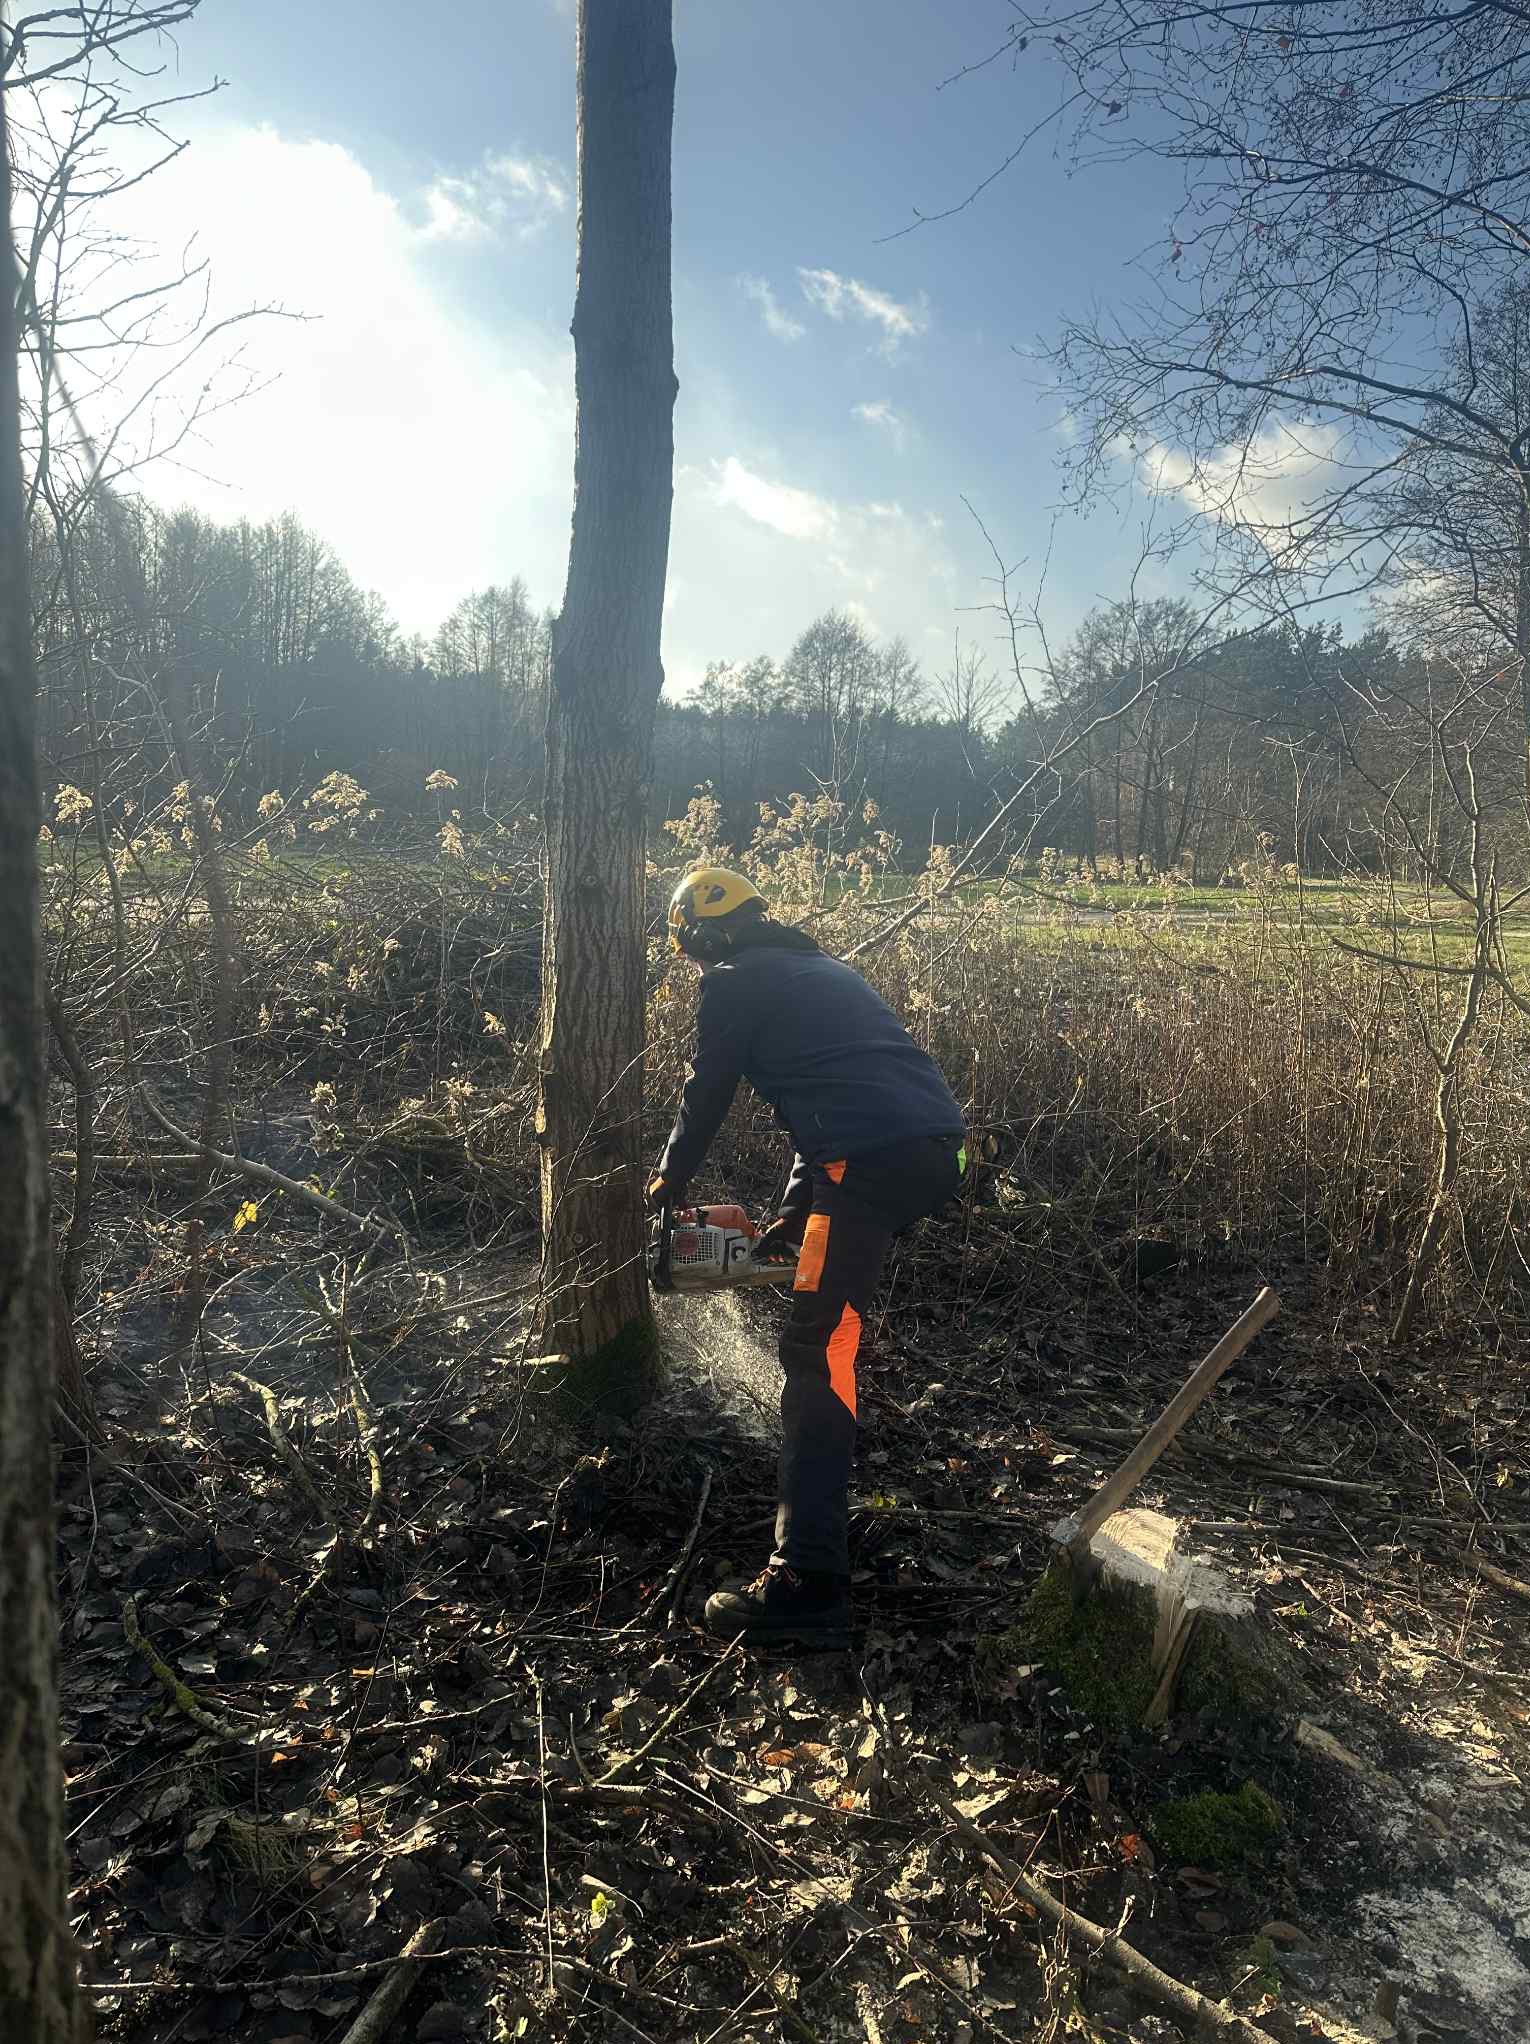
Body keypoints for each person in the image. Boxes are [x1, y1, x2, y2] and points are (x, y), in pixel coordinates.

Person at [649, 866, 966, 1644]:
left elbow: (707, 1086)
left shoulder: (731, 981)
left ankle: (808, 1578)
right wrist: (795, 1216)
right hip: (931, 1154)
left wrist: (669, 1178)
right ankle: (817, 1545)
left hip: (865, 1164)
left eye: (690, 950)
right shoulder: (822, 970)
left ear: (698, 935)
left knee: (816, 1352)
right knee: (829, 1337)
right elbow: (831, 1095)